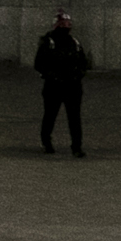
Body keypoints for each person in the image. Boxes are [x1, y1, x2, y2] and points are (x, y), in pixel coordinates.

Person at [35, 10, 91, 155]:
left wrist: (78, 75)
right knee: (50, 115)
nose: (66, 26)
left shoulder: (74, 42)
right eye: (63, 24)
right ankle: (46, 142)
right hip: (54, 86)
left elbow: (83, 62)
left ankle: (77, 146)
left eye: (68, 24)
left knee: (74, 118)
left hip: (73, 86)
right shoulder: (49, 42)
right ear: (56, 25)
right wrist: (52, 76)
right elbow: (39, 63)